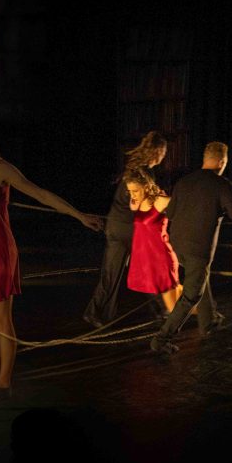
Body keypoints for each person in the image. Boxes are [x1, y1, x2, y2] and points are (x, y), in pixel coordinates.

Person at [0, 120, 103, 399]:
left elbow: (40, 194)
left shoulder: (1, 169)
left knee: (1, 319)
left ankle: (3, 383)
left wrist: (79, 216)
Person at [151, 142, 232, 354]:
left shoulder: (184, 181)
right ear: (221, 162)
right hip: (198, 249)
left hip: (177, 244)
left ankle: (208, 320)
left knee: (200, 276)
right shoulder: (221, 184)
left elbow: (170, 213)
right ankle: (161, 339)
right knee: (191, 294)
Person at [83, 131, 167, 328]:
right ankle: (162, 310)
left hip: (117, 227)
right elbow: (138, 203)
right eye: (164, 152)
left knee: (112, 273)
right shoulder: (142, 173)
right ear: (157, 152)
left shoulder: (135, 169)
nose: (164, 156)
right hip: (128, 229)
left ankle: (96, 313)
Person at [123, 168, 182, 315]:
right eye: (129, 191)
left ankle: (206, 313)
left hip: (160, 259)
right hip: (146, 260)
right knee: (174, 306)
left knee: (174, 309)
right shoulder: (137, 202)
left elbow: (184, 206)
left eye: (135, 191)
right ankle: (206, 312)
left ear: (146, 186)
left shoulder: (160, 201)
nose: (132, 195)